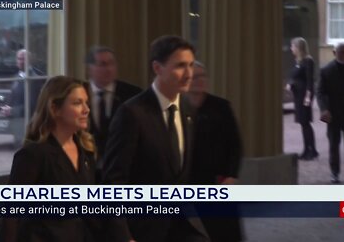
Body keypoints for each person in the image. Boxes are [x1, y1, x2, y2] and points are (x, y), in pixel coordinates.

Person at [102, 35, 209, 242]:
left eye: (190, 65)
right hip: (142, 227)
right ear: (158, 68)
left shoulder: (188, 110)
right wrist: (124, 236)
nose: (189, 74)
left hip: (180, 224)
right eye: (180, 66)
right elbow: (113, 183)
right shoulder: (132, 113)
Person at [0, 76, 100, 242]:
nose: (86, 109)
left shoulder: (86, 150)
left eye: (86, 102)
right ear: (55, 109)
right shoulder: (32, 156)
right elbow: (11, 217)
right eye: (77, 103)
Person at [187, 61, 242, 242]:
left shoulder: (221, 107)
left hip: (216, 179)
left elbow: (235, 145)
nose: (200, 80)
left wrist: (232, 175)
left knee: (225, 231)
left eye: (203, 76)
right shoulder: (177, 107)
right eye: (195, 77)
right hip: (186, 181)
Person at [85, 46, 142, 181]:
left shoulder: (133, 94)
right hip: (87, 172)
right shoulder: (79, 93)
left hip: (123, 171)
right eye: (103, 64)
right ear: (90, 68)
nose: (109, 69)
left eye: (112, 63)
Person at [317, 42, 344, 185]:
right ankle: (335, 173)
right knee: (334, 145)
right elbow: (320, 92)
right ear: (334, 52)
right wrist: (324, 109)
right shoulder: (326, 70)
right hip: (333, 114)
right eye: (341, 52)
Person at [2, 49, 44, 148]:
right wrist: (7, 107)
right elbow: (14, 96)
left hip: (28, 126)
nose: (20, 61)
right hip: (18, 125)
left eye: (23, 59)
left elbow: (32, 106)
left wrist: (12, 111)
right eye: (18, 59)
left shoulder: (33, 79)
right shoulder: (17, 76)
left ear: (29, 60)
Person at [288, 37, 319, 160]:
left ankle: (312, 150)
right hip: (297, 96)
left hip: (304, 96)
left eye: (293, 46)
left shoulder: (308, 61)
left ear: (298, 48)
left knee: (306, 123)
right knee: (303, 123)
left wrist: (308, 97)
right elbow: (295, 76)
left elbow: (310, 81)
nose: (291, 49)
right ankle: (307, 149)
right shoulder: (298, 61)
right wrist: (291, 83)